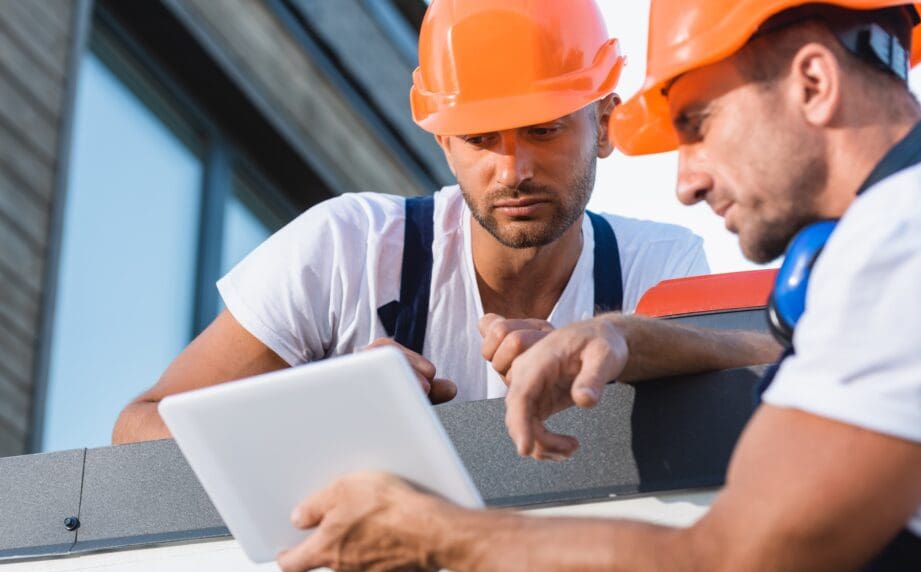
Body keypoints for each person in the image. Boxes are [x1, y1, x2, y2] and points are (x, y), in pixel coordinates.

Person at [276, 1, 921, 572]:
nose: (686, 182)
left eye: (697, 125)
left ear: (814, 82)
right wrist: (627, 336)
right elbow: (809, 368)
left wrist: (429, 530)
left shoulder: (914, 250)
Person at [112, 0, 775, 444]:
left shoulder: (660, 269)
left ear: (603, 123)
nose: (512, 169)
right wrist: (315, 411)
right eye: (480, 138)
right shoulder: (345, 250)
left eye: (542, 129)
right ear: (443, 143)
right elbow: (136, 428)